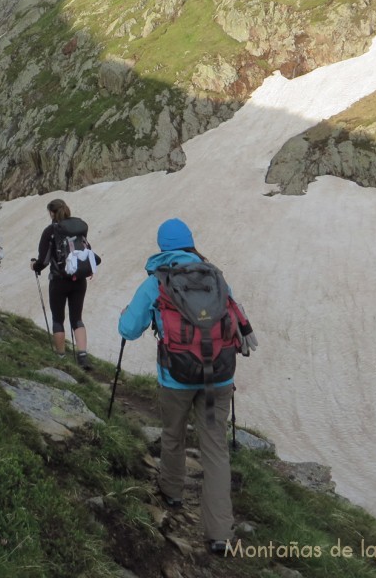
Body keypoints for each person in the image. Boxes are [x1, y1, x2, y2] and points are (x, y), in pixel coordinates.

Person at [117, 218, 258, 556]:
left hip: (176, 377)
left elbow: (128, 328)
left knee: (173, 434)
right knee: (215, 449)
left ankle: (172, 492)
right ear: (190, 242)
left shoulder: (157, 282)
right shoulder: (215, 276)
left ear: (162, 246)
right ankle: (220, 532)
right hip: (219, 378)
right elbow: (236, 317)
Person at [29, 198, 93, 370]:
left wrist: (34, 265)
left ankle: (61, 357)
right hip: (79, 280)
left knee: (58, 318)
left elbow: (44, 260)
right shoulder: (78, 228)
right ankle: (82, 356)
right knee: (77, 318)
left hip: (58, 281)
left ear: (51, 213)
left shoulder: (50, 231)